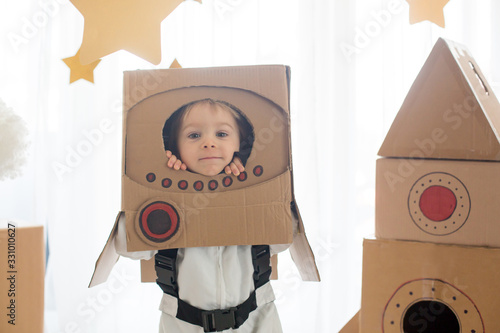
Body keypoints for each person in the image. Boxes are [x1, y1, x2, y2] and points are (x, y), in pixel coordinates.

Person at [116, 99, 290, 333]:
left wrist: (251, 173)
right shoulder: (164, 201)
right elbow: (128, 247)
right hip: (184, 325)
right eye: (194, 135)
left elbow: (284, 237)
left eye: (221, 133)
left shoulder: (256, 195)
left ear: (241, 142)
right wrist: (158, 184)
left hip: (256, 321)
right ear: (174, 146)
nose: (209, 143)